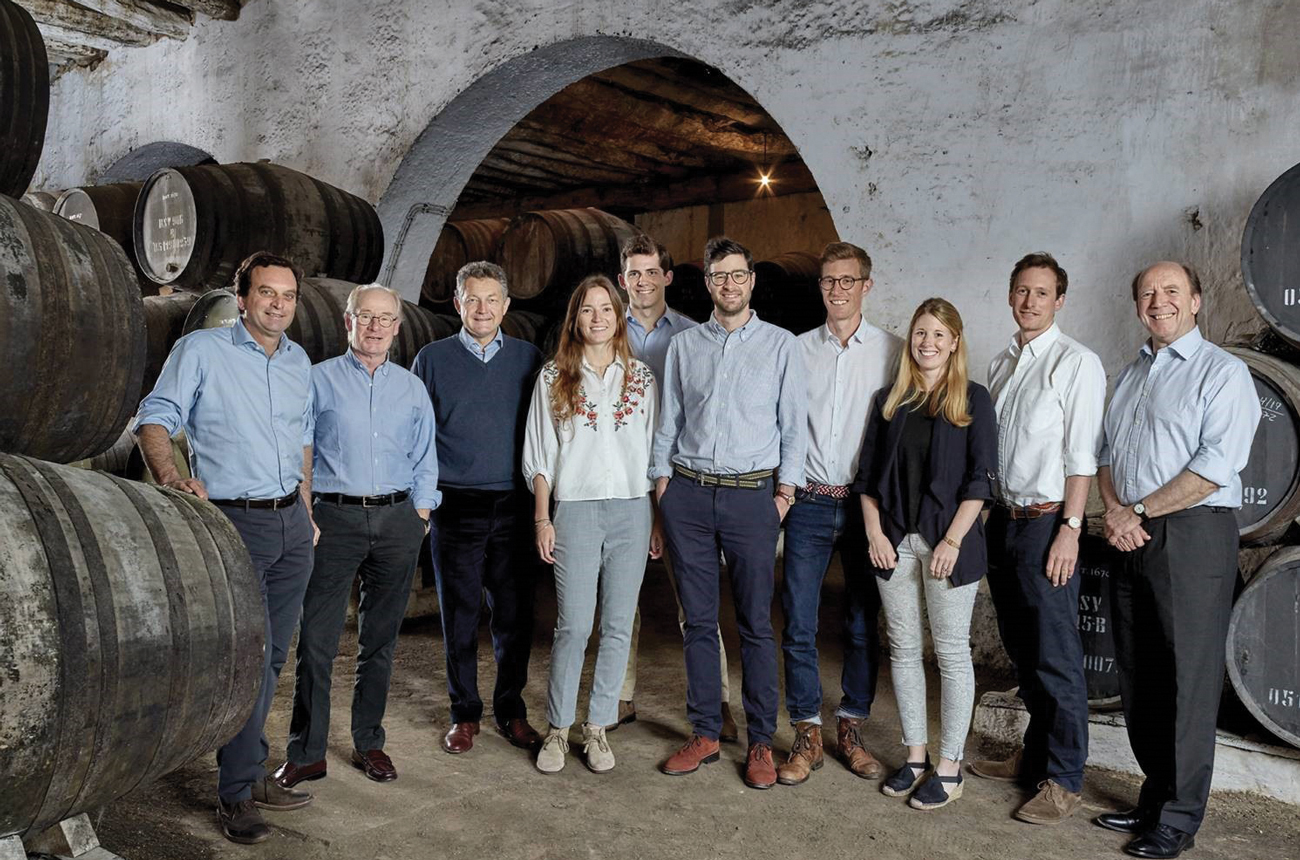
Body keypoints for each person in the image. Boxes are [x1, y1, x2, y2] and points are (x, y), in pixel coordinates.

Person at [134, 251, 317, 844]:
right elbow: (154, 418)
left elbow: (303, 438)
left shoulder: (298, 361)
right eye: (266, 292)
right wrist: (171, 478)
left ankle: (251, 770)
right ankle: (236, 791)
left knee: (273, 657)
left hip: (291, 525)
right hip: (236, 523)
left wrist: (307, 507)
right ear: (242, 299)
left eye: (287, 295)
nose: (278, 304)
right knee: (247, 659)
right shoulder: (202, 351)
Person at [1094, 262, 1259, 860]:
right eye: (1147, 293)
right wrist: (1118, 511)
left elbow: (1215, 466)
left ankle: (1180, 818)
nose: (1157, 301)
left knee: (1188, 678)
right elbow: (1106, 454)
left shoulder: (1223, 372)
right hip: (1130, 532)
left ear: (1195, 301)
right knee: (1141, 673)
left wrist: (1136, 510)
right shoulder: (1132, 372)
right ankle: (1156, 797)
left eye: (1170, 291)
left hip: (1191, 534)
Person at [652, 236, 807, 790]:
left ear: (752, 281)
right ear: (708, 282)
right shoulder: (684, 347)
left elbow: (794, 427)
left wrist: (783, 495)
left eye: (739, 274)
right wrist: (663, 488)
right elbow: (668, 421)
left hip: (751, 498)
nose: (730, 284)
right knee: (697, 622)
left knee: (756, 625)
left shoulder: (782, 346)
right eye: (720, 276)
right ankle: (705, 733)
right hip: (689, 496)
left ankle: (761, 740)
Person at [272, 284, 440, 790]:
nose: (375, 326)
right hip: (334, 520)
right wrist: (305, 511)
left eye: (385, 318)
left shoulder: (411, 388)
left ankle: (369, 742)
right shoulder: (317, 380)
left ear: (397, 328)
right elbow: (297, 449)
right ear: (349, 322)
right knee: (316, 643)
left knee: (379, 642)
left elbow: (425, 456)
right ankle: (307, 752)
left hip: (397, 520)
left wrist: (420, 515)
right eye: (366, 316)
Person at [970, 253, 1106, 824]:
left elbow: (1082, 456)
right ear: (1010, 296)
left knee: (1055, 656)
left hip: (1049, 523)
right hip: (1004, 521)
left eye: (1042, 293)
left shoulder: (1077, 363)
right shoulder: (1001, 362)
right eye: (1022, 291)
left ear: (1060, 301)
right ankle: (1034, 758)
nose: (1030, 302)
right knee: (1023, 652)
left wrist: (1070, 531)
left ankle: (1064, 780)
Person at [853, 297, 997, 810]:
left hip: (947, 542)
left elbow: (981, 480)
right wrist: (875, 533)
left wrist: (953, 540)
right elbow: (866, 478)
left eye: (938, 334)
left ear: (954, 342)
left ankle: (950, 767)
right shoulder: (890, 400)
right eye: (920, 332)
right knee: (904, 649)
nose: (927, 342)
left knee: (952, 654)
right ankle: (916, 756)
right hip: (894, 541)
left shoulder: (973, 399)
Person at [523, 275, 658, 774]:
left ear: (619, 317)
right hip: (575, 510)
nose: (597, 318)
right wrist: (543, 518)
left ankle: (597, 726)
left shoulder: (641, 379)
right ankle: (558, 729)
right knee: (574, 625)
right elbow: (540, 453)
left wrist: (658, 521)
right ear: (574, 319)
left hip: (632, 509)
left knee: (618, 625)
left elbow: (653, 454)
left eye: (606, 309)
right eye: (587, 309)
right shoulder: (553, 376)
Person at [776, 241, 901, 786]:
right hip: (808, 500)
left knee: (860, 621)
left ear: (866, 286)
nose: (837, 290)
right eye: (829, 280)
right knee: (798, 620)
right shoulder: (796, 349)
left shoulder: (894, 351)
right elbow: (783, 423)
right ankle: (806, 731)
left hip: (864, 505)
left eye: (848, 280)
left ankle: (851, 727)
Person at [411, 261, 544, 756]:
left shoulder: (529, 359)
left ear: (506, 306)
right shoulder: (431, 359)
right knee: (460, 615)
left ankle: (511, 710)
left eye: (492, 300)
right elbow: (417, 436)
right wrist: (422, 504)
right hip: (456, 504)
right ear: (457, 304)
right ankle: (464, 713)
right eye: (473, 299)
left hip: (515, 502)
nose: (482, 309)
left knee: (514, 617)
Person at [616, 233, 736, 740]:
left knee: (696, 598)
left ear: (667, 276)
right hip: (621, 478)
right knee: (620, 599)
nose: (643, 281)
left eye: (651, 272)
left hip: (679, 480)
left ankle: (717, 700)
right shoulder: (603, 330)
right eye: (634, 273)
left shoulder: (694, 335)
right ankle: (617, 694)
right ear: (623, 280)